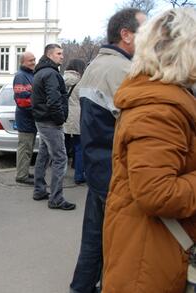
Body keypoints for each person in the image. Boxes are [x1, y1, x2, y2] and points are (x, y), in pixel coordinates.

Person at [102, 8, 196, 292]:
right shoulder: (158, 108)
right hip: (149, 259)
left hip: (154, 249)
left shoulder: (166, 97)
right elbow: (157, 193)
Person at [69, 8, 146, 293]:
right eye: (144, 30)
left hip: (98, 169)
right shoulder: (125, 71)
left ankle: (80, 288)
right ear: (125, 35)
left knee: (93, 241)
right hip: (117, 174)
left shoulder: (95, 66)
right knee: (119, 248)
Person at [31, 43, 75, 210]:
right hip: (50, 121)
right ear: (49, 55)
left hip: (43, 120)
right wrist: (60, 119)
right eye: (59, 53)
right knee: (60, 158)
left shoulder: (42, 72)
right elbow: (54, 100)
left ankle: (39, 190)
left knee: (44, 154)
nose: (62, 56)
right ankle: (56, 198)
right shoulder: (50, 74)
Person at [13, 51, 37, 185]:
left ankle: (24, 171)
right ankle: (21, 175)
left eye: (34, 59)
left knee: (28, 147)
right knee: (25, 148)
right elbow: (22, 100)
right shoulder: (21, 76)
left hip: (30, 118)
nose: (33, 62)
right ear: (22, 62)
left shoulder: (30, 75)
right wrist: (37, 108)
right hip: (26, 118)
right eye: (30, 60)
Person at [63, 59, 87, 185]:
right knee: (79, 147)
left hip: (63, 116)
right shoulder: (81, 82)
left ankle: (59, 172)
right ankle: (78, 176)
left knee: (63, 147)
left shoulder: (61, 79)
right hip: (77, 116)